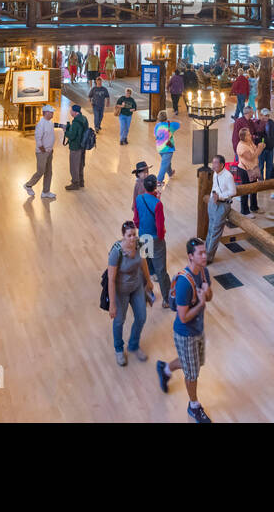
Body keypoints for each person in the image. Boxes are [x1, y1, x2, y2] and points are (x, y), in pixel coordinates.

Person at [156, 238, 214, 423]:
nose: (205, 256)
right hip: (185, 333)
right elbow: (183, 317)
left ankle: (165, 368)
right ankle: (194, 406)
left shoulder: (204, 272)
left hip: (199, 329)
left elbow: (209, 295)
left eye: (205, 252)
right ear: (190, 257)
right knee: (192, 373)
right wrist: (202, 302)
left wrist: (207, 293)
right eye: (200, 253)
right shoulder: (184, 283)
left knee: (193, 363)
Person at [108, 221, 155, 365]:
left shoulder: (140, 245)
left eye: (134, 234)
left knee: (141, 317)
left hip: (136, 287)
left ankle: (134, 345)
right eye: (129, 235)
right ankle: (119, 349)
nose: (133, 238)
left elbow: (144, 263)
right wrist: (112, 304)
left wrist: (148, 281)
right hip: (121, 291)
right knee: (119, 321)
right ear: (123, 236)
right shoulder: (116, 251)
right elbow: (111, 279)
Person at [132, 172, 171, 309]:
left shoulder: (139, 198)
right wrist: (161, 236)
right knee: (161, 270)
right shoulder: (157, 204)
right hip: (155, 239)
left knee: (145, 267)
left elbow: (136, 220)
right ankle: (167, 299)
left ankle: (146, 295)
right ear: (155, 186)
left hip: (143, 236)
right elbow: (160, 225)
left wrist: (141, 228)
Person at [205, 155, 237, 262]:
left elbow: (233, 192)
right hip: (213, 203)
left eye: (215, 163)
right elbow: (215, 187)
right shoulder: (215, 173)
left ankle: (208, 257)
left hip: (222, 205)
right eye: (212, 163)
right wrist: (212, 198)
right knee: (210, 228)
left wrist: (220, 197)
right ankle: (205, 252)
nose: (213, 165)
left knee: (215, 232)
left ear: (222, 165)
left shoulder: (228, 176)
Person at [24, 103, 57, 199]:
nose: (52, 114)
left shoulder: (50, 123)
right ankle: (28, 185)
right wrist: (42, 149)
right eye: (51, 113)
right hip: (42, 152)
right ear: (46, 113)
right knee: (40, 171)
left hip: (49, 151)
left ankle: (46, 192)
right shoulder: (40, 124)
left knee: (49, 172)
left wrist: (50, 149)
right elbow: (38, 138)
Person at [63, 103, 90, 190]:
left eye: (71, 110)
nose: (70, 112)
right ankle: (81, 181)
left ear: (75, 112)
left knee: (74, 165)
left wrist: (65, 131)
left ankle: (75, 183)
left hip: (75, 147)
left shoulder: (75, 122)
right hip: (83, 146)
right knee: (81, 164)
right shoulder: (84, 118)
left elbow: (72, 136)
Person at [235, 127, 260, 215]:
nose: (251, 135)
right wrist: (260, 149)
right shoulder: (241, 146)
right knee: (245, 190)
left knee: (254, 189)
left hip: (253, 168)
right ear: (244, 137)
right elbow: (251, 157)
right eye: (249, 135)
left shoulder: (249, 142)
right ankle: (245, 211)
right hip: (245, 170)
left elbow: (255, 153)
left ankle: (254, 207)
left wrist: (259, 148)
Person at [154, 111, 180, 186]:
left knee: (166, 162)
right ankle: (159, 180)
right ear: (166, 117)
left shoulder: (157, 126)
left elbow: (155, 135)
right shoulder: (171, 125)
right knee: (164, 164)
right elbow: (178, 125)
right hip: (168, 148)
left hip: (159, 148)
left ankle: (170, 173)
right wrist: (171, 120)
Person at [256, 108, 274, 181]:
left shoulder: (271, 122)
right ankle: (261, 181)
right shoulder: (257, 123)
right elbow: (256, 136)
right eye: (264, 115)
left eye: (267, 116)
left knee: (269, 166)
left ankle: (268, 180)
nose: (265, 117)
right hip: (261, 150)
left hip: (270, 149)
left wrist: (273, 143)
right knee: (260, 166)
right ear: (261, 115)